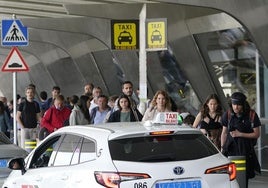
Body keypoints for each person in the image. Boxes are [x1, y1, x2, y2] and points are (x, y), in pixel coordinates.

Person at [221, 92, 261, 188]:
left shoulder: (251, 115)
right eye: (234, 104)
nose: (236, 107)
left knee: (243, 177)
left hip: (245, 151)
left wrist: (240, 134)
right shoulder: (228, 114)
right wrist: (222, 149)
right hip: (230, 150)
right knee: (229, 177)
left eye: (238, 105)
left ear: (243, 104)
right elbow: (224, 133)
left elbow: (257, 134)